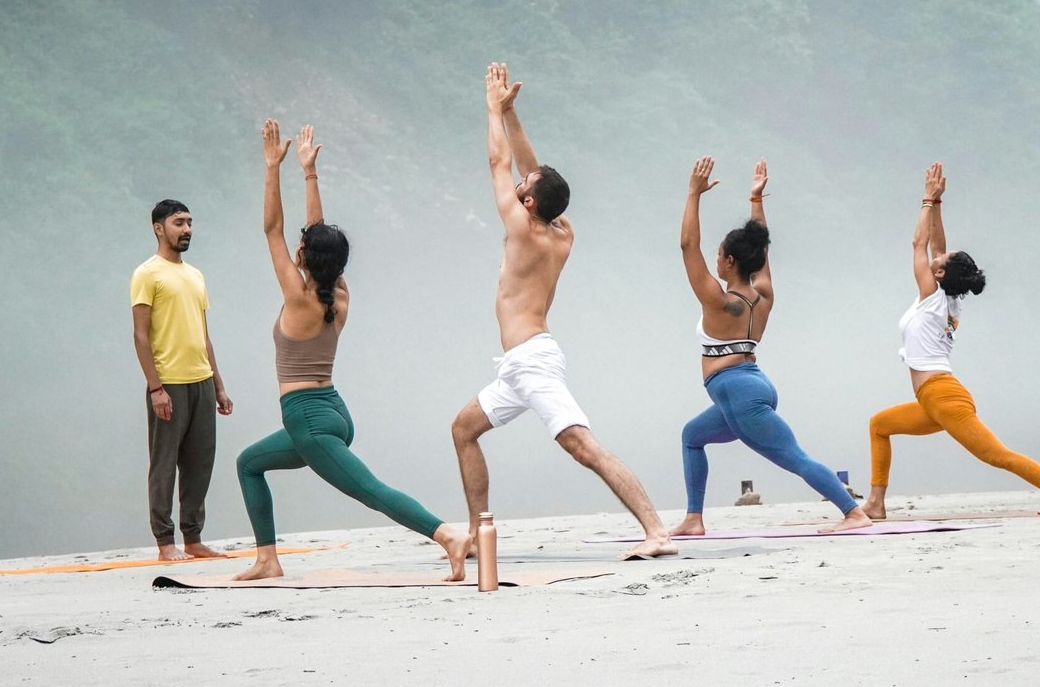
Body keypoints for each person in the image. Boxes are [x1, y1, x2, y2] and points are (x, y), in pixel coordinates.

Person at [449, 64, 676, 560]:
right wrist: (512, 113)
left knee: (582, 446)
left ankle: (656, 530)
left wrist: (491, 110)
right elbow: (538, 171)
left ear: (526, 201)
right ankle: (475, 533)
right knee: (464, 429)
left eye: (523, 186)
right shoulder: (559, 231)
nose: (518, 183)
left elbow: (498, 163)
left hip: (533, 360)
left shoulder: (524, 229)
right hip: (520, 363)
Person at [231, 121, 472, 581]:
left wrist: (270, 168)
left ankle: (447, 536)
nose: (296, 245)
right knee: (249, 464)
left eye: (301, 246)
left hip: (308, 420)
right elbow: (314, 233)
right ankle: (267, 559)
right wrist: (308, 173)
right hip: (333, 413)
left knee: (372, 492)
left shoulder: (298, 299)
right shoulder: (338, 291)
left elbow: (272, 229)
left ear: (304, 257)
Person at [861, 162, 1040, 519]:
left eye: (940, 261)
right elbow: (937, 244)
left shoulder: (933, 297)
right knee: (880, 425)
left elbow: (920, 243)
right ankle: (876, 503)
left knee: (995, 455)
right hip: (932, 399)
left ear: (940, 273)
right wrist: (938, 205)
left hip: (944, 397)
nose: (936, 257)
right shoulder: (948, 297)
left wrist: (926, 200)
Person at [671, 156, 870, 536]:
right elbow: (761, 252)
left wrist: (693, 194)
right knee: (692, 437)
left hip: (739, 392)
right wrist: (755, 201)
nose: (713, 259)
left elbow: (686, 245)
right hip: (747, 388)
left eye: (718, 255)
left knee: (793, 457)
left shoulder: (718, 301)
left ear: (729, 262)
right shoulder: (763, 294)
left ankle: (853, 512)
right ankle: (694, 519)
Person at [131, 198, 233, 561]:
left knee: (200, 463)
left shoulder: (195, 275)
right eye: (179, 223)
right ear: (159, 228)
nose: (187, 229)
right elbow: (141, 335)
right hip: (169, 383)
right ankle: (164, 543)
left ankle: (194, 539)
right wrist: (155, 387)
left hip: (201, 381)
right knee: (164, 464)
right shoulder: (147, 273)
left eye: (189, 222)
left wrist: (218, 385)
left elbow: (203, 335)